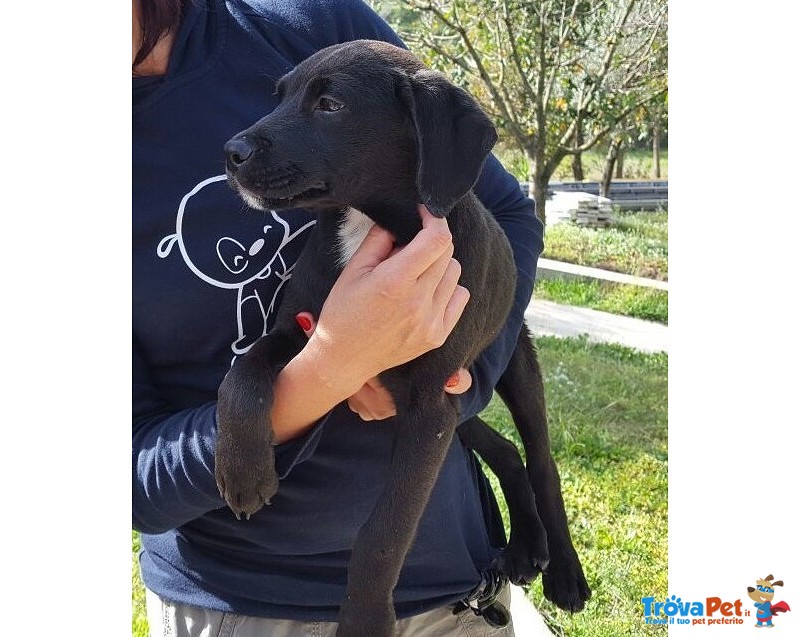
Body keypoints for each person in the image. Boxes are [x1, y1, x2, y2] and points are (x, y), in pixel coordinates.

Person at [132, 0, 544, 635]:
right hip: (238, 603)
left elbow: (505, 213)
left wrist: (457, 370)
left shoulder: (304, 22)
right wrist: (333, 364)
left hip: (441, 586)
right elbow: (130, 479)